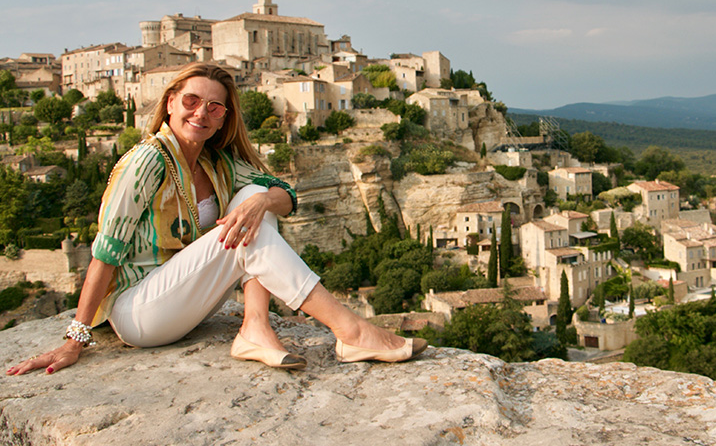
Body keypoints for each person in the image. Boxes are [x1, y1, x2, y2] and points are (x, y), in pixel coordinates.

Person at [7, 63, 426, 376]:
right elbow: (105, 252)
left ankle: (256, 328)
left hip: (181, 298)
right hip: (138, 313)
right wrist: (75, 340)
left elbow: (287, 193)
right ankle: (350, 332)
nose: (200, 114)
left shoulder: (217, 163)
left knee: (253, 198)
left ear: (224, 117)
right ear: (170, 102)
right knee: (243, 231)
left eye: (214, 107)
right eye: (190, 101)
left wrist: (261, 203)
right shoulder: (148, 160)